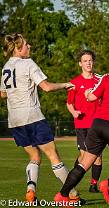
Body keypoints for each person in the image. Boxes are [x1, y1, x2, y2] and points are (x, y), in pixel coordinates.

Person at [54, 47, 109, 206]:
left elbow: (92, 96)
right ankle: (107, 184)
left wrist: (87, 94)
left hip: (98, 124)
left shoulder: (106, 77)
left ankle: (62, 194)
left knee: (84, 162)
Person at [0, 33, 80, 203]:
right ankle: (71, 194)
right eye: (27, 45)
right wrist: (65, 84)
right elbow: (47, 87)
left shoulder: (6, 67)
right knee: (53, 156)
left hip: (15, 120)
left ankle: (31, 190)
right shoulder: (27, 63)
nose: (29, 47)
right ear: (19, 48)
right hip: (33, 117)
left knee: (34, 157)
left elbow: (2, 94)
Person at [66, 49, 102, 193]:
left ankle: (94, 185)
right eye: (85, 61)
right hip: (82, 125)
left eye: (90, 60)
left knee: (97, 157)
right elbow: (69, 103)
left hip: (97, 124)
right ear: (80, 64)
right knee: (83, 156)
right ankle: (71, 182)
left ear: (93, 62)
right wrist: (74, 112)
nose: (88, 63)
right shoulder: (74, 82)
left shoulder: (100, 80)